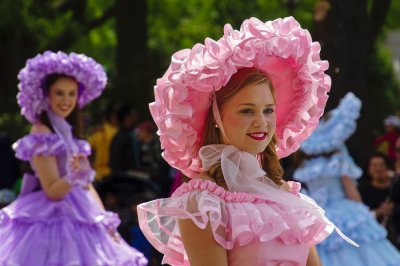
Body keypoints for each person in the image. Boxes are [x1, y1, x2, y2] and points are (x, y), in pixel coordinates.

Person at [137, 17, 357, 265]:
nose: (261, 122)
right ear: (217, 118)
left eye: (268, 110)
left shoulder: (287, 194)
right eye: (247, 111)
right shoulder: (203, 202)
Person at [0, 51, 147, 265]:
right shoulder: (41, 131)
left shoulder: (70, 131)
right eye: (59, 93)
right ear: (46, 95)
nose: (66, 100)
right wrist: (74, 176)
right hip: (51, 218)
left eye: (71, 93)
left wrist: (105, 223)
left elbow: (86, 185)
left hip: (83, 212)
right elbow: (52, 191)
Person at [293, 92, 400, 265]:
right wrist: (362, 212)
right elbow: (351, 192)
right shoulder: (337, 156)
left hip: (316, 216)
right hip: (344, 211)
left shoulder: (306, 161)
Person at [358, 152, 400, 249]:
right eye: (374, 165)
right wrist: (378, 212)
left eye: (381, 165)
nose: (378, 169)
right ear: (368, 169)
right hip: (376, 236)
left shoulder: (396, 186)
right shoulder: (363, 191)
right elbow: (359, 215)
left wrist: (394, 208)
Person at [87, 103, 119, 181]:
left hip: (98, 176)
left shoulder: (97, 131)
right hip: (115, 176)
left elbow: (88, 152)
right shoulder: (119, 133)